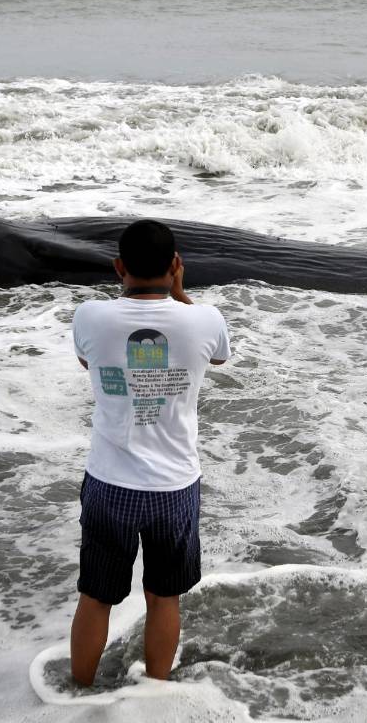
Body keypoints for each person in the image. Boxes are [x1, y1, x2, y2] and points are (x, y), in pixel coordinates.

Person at [69, 219, 230, 686]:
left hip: (109, 483)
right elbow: (218, 356)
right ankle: (156, 693)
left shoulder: (89, 316)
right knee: (164, 598)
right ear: (176, 264)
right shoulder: (206, 320)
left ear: (119, 266)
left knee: (95, 597)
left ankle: (78, 692)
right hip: (174, 486)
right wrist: (180, 295)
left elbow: (86, 360)